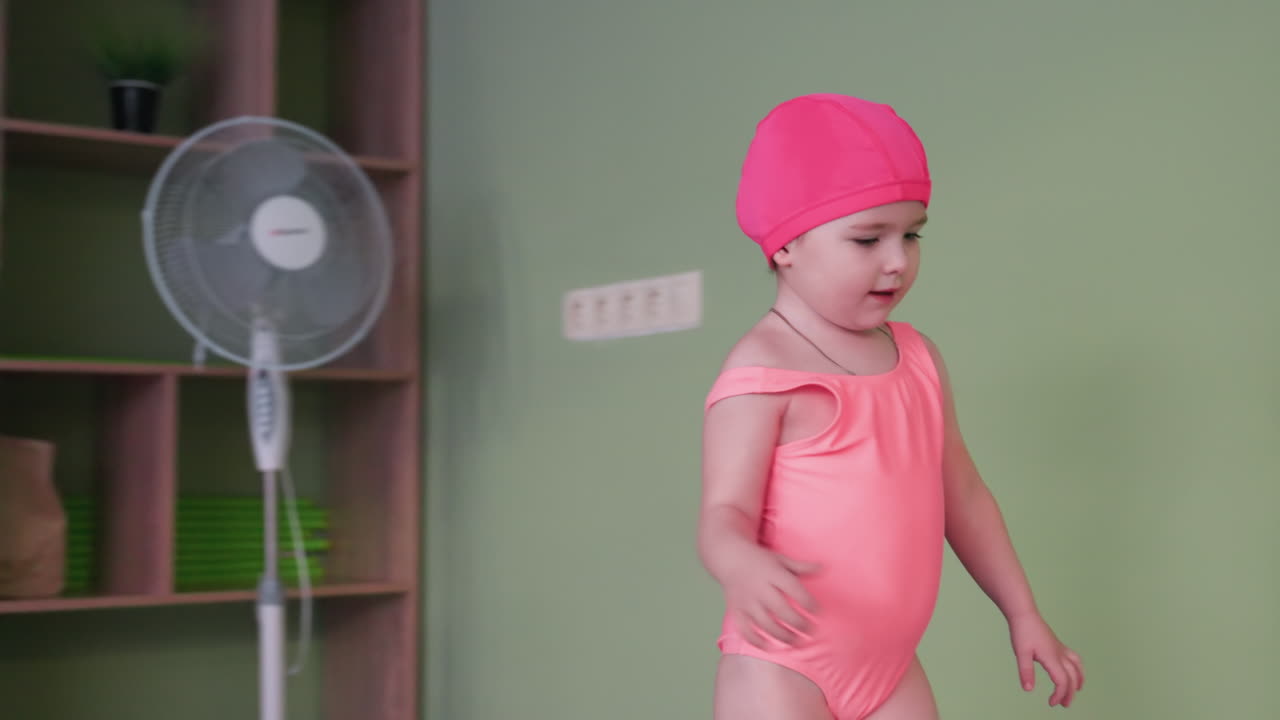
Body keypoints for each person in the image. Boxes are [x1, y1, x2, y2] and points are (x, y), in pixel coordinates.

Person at [697, 93, 1085, 720]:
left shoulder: (918, 360)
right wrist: (740, 561)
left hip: (890, 668)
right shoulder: (762, 369)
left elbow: (963, 495)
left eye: (911, 234)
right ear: (786, 245)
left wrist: (1023, 611)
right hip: (783, 665)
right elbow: (723, 512)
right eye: (866, 238)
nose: (897, 260)